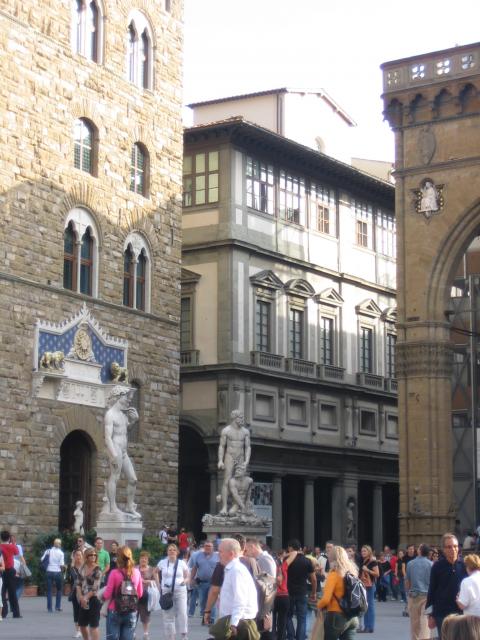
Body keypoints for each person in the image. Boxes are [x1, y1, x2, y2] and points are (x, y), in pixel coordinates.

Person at [209, 538, 259, 640]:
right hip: (235, 622)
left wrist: (234, 624)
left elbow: (240, 600)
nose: (218, 554)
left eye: (221, 552)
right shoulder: (231, 570)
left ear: (231, 554)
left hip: (239, 624)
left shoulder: (236, 571)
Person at [103, 386, 140, 517]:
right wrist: (113, 454)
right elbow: (108, 437)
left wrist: (134, 421)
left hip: (123, 451)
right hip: (116, 448)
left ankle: (130, 506)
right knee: (115, 476)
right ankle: (113, 507)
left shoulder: (123, 415)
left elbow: (126, 430)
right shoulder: (110, 414)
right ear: (119, 397)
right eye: (127, 397)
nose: (129, 400)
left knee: (133, 479)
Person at [426, 533, 467, 637]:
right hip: (442, 613)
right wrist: (432, 615)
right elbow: (432, 590)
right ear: (443, 549)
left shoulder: (465, 566)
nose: (453, 549)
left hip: (461, 612)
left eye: (455, 546)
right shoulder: (437, 567)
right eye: (449, 547)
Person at [316, 545, 359, 640]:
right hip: (352, 616)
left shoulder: (334, 574)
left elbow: (326, 599)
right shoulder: (352, 572)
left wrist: (318, 606)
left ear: (332, 558)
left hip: (336, 615)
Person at [102, 545, 143, 640]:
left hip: (115, 609)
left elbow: (107, 594)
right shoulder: (137, 572)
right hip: (131, 610)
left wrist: (101, 594)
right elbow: (140, 593)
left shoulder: (114, 573)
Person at [217, 410, 251, 515]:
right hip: (230, 455)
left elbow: (248, 447)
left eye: (242, 418)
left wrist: (246, 460)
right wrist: (220, 460)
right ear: (234, 418)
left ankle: (237, 506)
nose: (242, 420)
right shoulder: (226, 430)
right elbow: (222, 446)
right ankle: (224, 507)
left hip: (240, 456)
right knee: (227, 480)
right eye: (240, 418)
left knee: (240, 480)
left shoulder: (245, 431)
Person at [285, 539, 317, 640]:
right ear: (300, 548)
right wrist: (313, 592)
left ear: (290, 548)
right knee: (301, 618)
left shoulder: (287, 560)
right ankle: (300, 637)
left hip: (289, 592)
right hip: (302, 592)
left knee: (287, 616)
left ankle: (291, 636)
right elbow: (314, 579)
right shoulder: (307, 561)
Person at [157, 543, 189, 640]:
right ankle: (171, 636)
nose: (171, 552)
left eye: (174, 550)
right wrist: (159, 585)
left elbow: (188, 575)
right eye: (170, 550)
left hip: (180, 591)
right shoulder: (162, 562)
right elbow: (155, 572)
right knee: (168, 614)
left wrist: (185, 581)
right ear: (167, 552)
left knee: (182, 613)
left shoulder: (182, 563)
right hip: (166, 591)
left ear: (177, 552)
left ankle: (184, 634)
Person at [405, 543, 432, 640]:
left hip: (414, 595)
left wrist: (407, 593)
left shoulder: (410, 564)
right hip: (427, 596)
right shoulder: (431, 564)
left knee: (414, 623)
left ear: (419, 551)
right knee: (425, 622)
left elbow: (407, 581)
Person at [189, 540, 218, 621]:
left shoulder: (217, 556)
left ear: (213, 548)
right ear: (203, 547)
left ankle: (211, 619)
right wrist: (191, 579)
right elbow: (195, 568)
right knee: (202, 601)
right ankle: (204, 617)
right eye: (206, 546)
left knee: (213, 601)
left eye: (209, 546)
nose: (207, 548)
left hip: (214, 582)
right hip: (202, 582)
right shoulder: (198, 556)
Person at [76, 547, 102, 640]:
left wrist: (85, 598)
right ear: (86, 556)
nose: (93, 556)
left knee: (93, 625)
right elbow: (78, 584)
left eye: (95, 555)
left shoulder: (98, 569)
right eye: (91, 555)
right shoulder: (82, 568)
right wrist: (80, 597)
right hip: (83, 598)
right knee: (82, 624)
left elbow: (95, 587)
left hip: (94, 599)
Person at [137, 551, 158, 640]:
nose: (143, 560)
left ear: (148, 560)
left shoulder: (152, 569)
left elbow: (157, 582)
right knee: (133, 614)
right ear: (139, 559)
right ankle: (132, 632)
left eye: (145, 558)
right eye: (142, 558)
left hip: (147, 595)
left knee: (145, 615)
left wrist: (148, 581)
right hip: (134, 595)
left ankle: (146, 634)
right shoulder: (134, 568)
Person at [358, 545, 379, 634]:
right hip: (364, 585)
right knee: (366, 606)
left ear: (369, 552)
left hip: (370, 586)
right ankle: (368, 626)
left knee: (369, 607)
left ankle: (369, 626)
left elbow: (377, 574)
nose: (363, 553)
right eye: (362, 551)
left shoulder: (372, 562)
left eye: (365, 551)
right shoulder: (364, 561)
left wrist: (367, 570)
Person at [0, 530, 21, 619]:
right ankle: (16, 613)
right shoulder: (12, 547)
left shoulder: (0, 546)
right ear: (9, 538)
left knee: (2, 592)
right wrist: (12, 543)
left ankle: (3, 612)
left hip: (2, 571)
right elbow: (17, 553)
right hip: (11, 570)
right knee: (12, 592)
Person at [41, 537, 65, 613]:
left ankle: (49, 608)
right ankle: (57, 606)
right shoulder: (61, 553)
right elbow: (61, 564)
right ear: (60, 544)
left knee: (49, 590)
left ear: (54, 544)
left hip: (49, 571)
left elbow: (42, 559)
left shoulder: (48, 551)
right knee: (59, 589)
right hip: (57, 572)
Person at [68, 548, 84, 639]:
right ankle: (78, 630)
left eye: (80, 555)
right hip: (75, 593)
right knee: (76, 611)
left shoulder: (86, 567)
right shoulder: (72, 568)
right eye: (77, 555)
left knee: (84, 611)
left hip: (85, 592)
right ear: (74, 557)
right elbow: (75, 578)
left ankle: (83, 629)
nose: (79, 557)